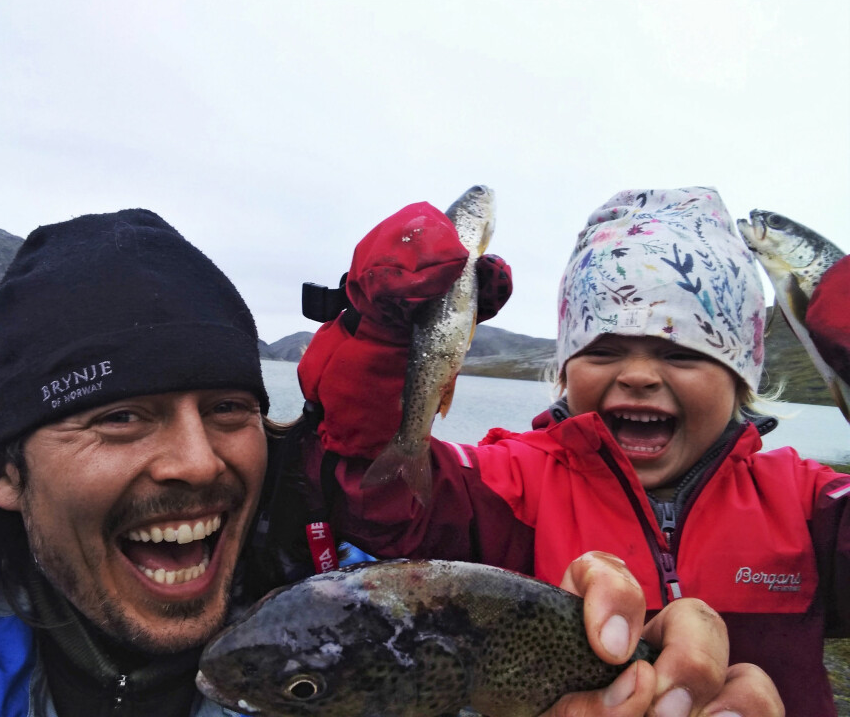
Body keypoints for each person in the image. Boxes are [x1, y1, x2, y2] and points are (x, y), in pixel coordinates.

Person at [0, 208, 780, 717]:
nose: (198, 462)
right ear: (5, 469)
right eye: (120, 417)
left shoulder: (372, 624)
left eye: (231, 408)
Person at [298, 186, 849, 717]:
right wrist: (378, 348)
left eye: (681, 354)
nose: (637, 375)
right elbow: (376, 495)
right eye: (604, 348)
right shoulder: (509, 481)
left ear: (741, 378)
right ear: (565, 371)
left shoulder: (808, 503)